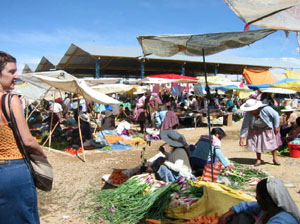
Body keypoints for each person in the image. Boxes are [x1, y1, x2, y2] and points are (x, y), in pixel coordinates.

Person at [0, 51, 47, 223]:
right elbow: (27, 140)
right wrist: (42, 154)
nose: (16, 76)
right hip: (12, 169)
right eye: (11, 72)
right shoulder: (9, 99)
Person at [219, 177, 300, 224]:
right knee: (241, 217)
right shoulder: (268, 210)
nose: (256, 198)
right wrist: (227, 214)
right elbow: (246, 206)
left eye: (258, 196)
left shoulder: (283, 220)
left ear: (267, 200)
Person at [239, 99, 281, 166]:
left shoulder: (266, 109)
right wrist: (242, 137)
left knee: (272, 143)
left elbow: (276, 115)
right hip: (256, 129)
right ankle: (258, 159)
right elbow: (245, 124)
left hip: (267, 128)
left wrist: (276, 126)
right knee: (256, 143)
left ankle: (275, 158)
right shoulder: (248, 114)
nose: (250, 112)